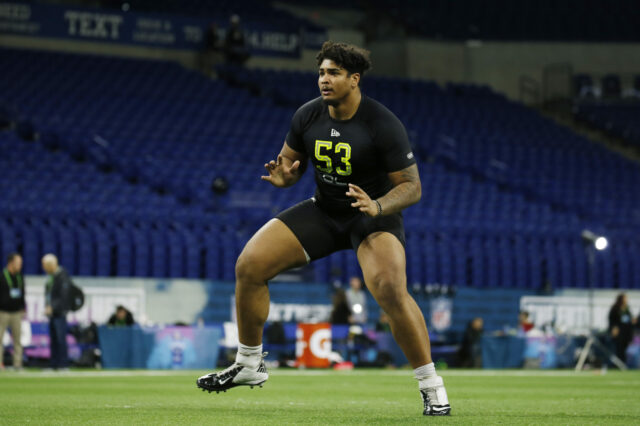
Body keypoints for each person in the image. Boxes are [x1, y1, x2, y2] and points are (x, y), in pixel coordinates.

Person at [197, 41, 450, 416]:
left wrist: (377, 206)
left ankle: (432, 386)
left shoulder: (381, 123)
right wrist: (283, 180)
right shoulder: (307, 116)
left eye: (333, 73)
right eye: (321, 73)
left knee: (390, 289)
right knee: (249, 265)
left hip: (372, 216)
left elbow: (412, 187)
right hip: (325, 210)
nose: (324, 80)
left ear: (354, 78)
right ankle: (249, 364)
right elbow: (289, 167)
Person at [42, 254, 72, 370]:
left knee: (60, 340)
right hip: (52, 313)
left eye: (44, 265)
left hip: (60, 313)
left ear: (51, 265)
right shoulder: (51, 277)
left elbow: (63, 296)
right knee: (53, 340)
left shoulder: (62, 276)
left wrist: (52, 307)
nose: (43, 268)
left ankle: (63, 364)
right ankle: (54, 364)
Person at [0, 253, 26, 369]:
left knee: (18, 340)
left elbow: (22, 294)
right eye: (18, 263)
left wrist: (23, 307)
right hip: (3, 312)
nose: (20, 265)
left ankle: (17, 364)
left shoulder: (20, 276)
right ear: (11, 263)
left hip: (16, 313)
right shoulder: (2, 276)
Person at [608, 293, 634, 364]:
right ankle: (617, 364)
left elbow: (629, 319)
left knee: (625, 349)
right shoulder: (615, 308)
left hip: (626, 333)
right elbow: (612, 320)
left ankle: (623, 364)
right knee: (618, 349)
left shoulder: (627, 309)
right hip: (619, 333)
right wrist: (613, 328)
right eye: (625, 298)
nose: (626, 300)